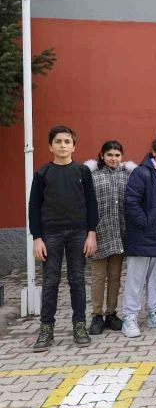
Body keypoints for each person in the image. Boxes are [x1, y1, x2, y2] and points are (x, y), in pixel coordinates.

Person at [29, 126, 98, 351]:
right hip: (51, 234)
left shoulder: (82, 172)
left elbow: (91, 204)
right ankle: (46, 328)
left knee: (77, 280)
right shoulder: (42, 173)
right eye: (58, 141)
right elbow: (34, 208)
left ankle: (79, 325)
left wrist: (91, 233)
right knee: (50, 282)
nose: (62, 145)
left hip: (78, 233)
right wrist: (37, 238)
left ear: (74, 146)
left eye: (67, 142)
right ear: (50, 146)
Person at [121, 132, 156, 338]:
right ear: (154, 152)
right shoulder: (142, 173)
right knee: (136, 277)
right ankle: (129, 317)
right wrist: (146, 223)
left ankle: (155, 313)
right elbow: (131, 202)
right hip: (143, 234)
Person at [86, 141, 134, 336]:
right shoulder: (92, 176)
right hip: (98, 233)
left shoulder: (127, 175)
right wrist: (88, 233)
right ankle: (96, 315)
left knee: (115, 276)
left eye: (117, 155)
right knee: (98, 277)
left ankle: (111, 313)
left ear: (122, 157)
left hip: (120, 233)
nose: (113, 158)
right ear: (102, 155)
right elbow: (86, 205)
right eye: (110, 155)